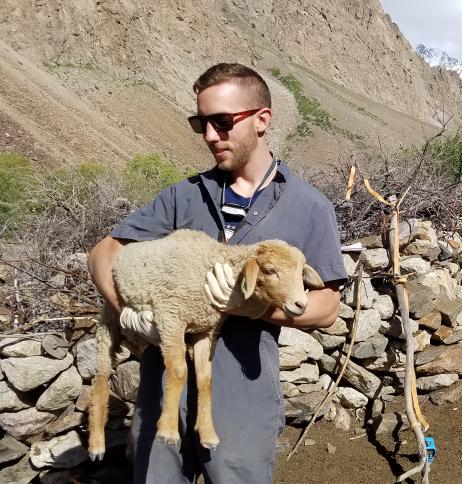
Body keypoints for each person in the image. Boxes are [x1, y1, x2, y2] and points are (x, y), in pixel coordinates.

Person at [87, 63, 347, 483]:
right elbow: (103, 253)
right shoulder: (183, 196)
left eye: (222, 122)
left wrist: (252, 307)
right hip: (162, 391)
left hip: (242, 397)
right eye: (200, 123)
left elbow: (326, 306)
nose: (210, 135)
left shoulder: (307, 206)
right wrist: (134, 316)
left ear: (262, 120)